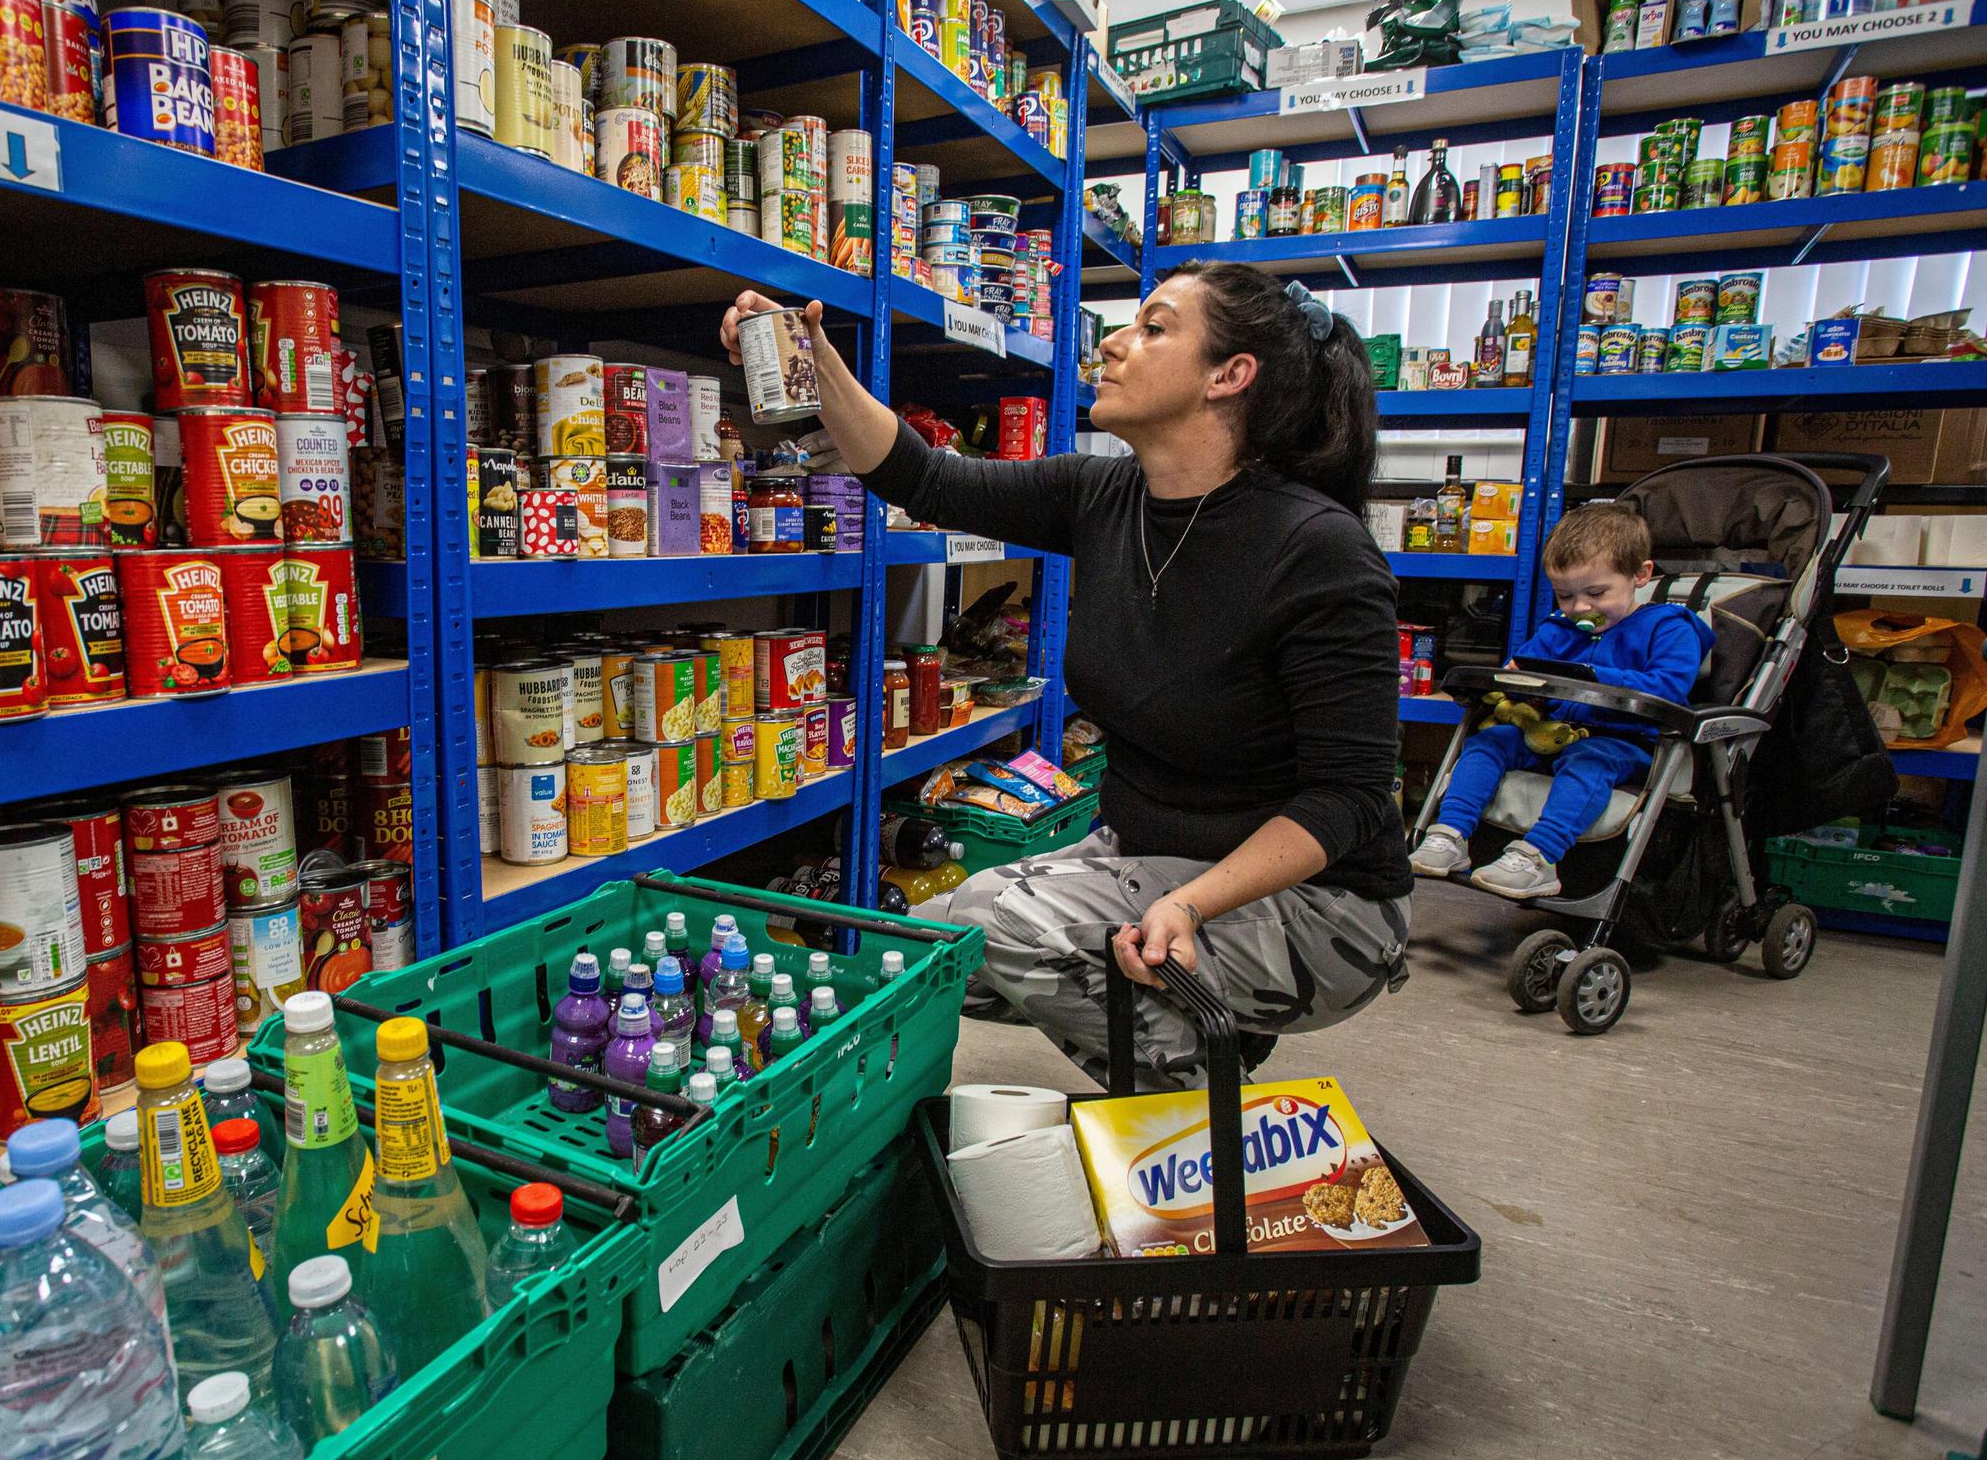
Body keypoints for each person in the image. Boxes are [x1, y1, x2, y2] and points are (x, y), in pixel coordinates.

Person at [719, 264, 1410, 1091]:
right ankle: (1189, 1041)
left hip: (1321, 907)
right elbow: (924, 476)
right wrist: (817, 364)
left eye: (1154, 328)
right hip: (1150, 860)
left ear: (1230, 377)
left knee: (1003, 923)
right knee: (918, 958)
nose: (1114, 342)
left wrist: (1193, 906)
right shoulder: (1106, 493)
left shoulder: (1318, 551)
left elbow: (1351, 795)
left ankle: (1202, 1121)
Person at [1410, 503, 1714, 898]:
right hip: (1550, 733)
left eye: (1596, 593)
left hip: (1624, 742)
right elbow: (1519, 670)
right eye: (1565, 595)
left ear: (1641, 575)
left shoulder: (1670, 628)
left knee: (1589, 761)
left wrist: (1588, 679)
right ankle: (1450, 835)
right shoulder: (1560, 629)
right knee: (1490, 741)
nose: (1580, 608)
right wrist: (1513, 681)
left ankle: (1539, 857)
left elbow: (1668, 687)